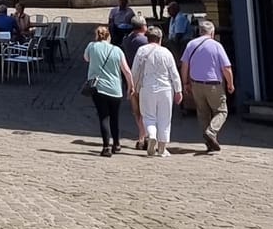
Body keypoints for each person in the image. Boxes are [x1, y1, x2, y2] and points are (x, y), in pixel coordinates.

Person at [181, 17, 235, 152]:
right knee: (221, 111)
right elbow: (226, 68)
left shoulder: (191, 45)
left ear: (200, 32)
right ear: (212, 32)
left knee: (203, 113)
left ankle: (210, 142)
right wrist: (230, 84)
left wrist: (185, 83)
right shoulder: (216, 46)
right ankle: (211, 132)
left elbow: (184, 66)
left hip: (196, 84)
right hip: (214, 85)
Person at [130, 22, 181, 156]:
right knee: (165, 118)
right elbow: (174, 73)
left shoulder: (142, 51)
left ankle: (151, 135)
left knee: (148, 116)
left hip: (148, 87)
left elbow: (135, 71)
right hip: (165, 88)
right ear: (160, 38)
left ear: (148, 38)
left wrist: (133, 87)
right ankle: (162, 149)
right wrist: (178, 90)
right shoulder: (166, 52)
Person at [82, 26, 133, 157]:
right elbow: (126, 70)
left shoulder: (92, 46)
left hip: (99, 87)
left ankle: (106, 147)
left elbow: (86, 58)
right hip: (115, 89)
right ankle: (116, 144)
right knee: (114, 117)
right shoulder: (117, 50)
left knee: (104, 117)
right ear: (108, 36)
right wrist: (131, 86)